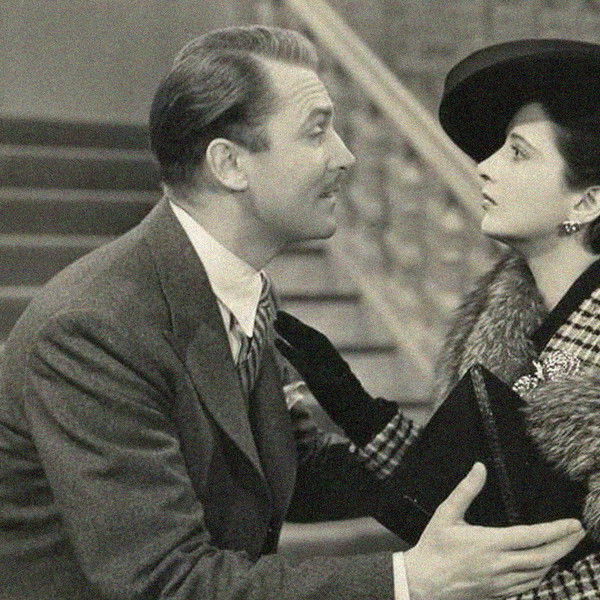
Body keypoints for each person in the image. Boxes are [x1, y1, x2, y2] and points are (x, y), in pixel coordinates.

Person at [0, 28, 584, 600]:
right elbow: (164, 581)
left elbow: (286, 471)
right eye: (317, 131)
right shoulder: (96, 329)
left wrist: (460, 475)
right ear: (230, 165)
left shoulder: (239, 288)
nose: (346, 157)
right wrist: (412, 579)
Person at [275, 38, 600, 599]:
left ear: (586, 203)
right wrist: (355, 406)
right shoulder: (500, 321)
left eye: (517, 153)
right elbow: (472, 496)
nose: (485, 168)